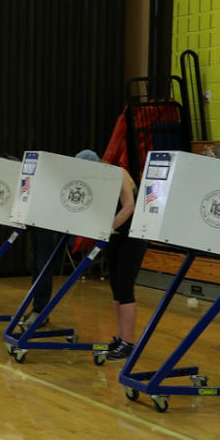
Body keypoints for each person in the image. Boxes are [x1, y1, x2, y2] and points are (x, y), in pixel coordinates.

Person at [69, 149, 145, 361]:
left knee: (125, 287)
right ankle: (120, 338)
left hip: (133, 236)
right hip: (115, 236)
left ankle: (128, 343)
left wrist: (108, 227)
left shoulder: (117, 173)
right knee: (115, 289)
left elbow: (129, 206)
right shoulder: (95, 181)